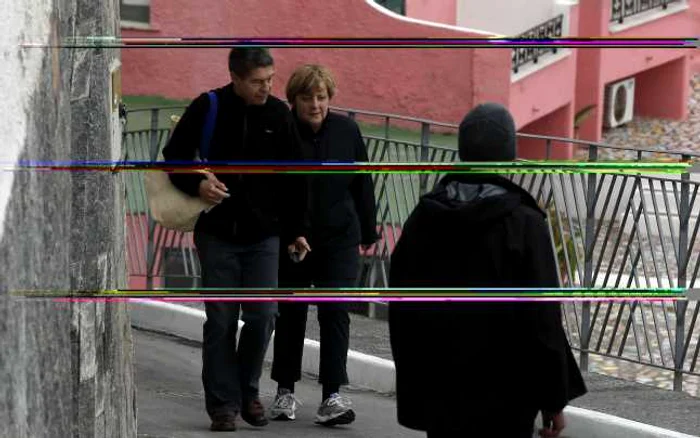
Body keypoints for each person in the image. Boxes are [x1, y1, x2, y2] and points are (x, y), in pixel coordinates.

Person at [387, 103, 587, 438]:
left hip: (441, 386)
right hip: (506, 393)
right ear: (508, 155)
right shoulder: (524, 223)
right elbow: (542, 319)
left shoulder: (425, 217)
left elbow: (403, 304)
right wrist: (553, 399)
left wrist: (416, 380)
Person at [161, 47, 310, 432]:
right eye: (258, 82)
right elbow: (174, 156)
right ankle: (222, 406)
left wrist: (296, 230)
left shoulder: (279, 115)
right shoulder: (208, 106)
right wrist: (198, 183)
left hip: (264, 236)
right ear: (236, 78)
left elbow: (296, 178)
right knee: (222, 320)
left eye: (271, 80)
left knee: (262, 316)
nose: (267, 88)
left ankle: (247, 392)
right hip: (217, 235)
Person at [268, 64, 379, 426]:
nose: (315, 104)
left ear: (330, 98)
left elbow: (362, 183)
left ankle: (332, 395)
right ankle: (285, 391)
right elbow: (275, 189)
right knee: (291, 315)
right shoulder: (282, 132)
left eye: (321, 97)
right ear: (294, 100)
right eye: (306, 97)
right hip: (294, 240)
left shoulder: (347, 131)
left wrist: (368, 233)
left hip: (339, 238)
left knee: (335, 314)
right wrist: (287, 233)